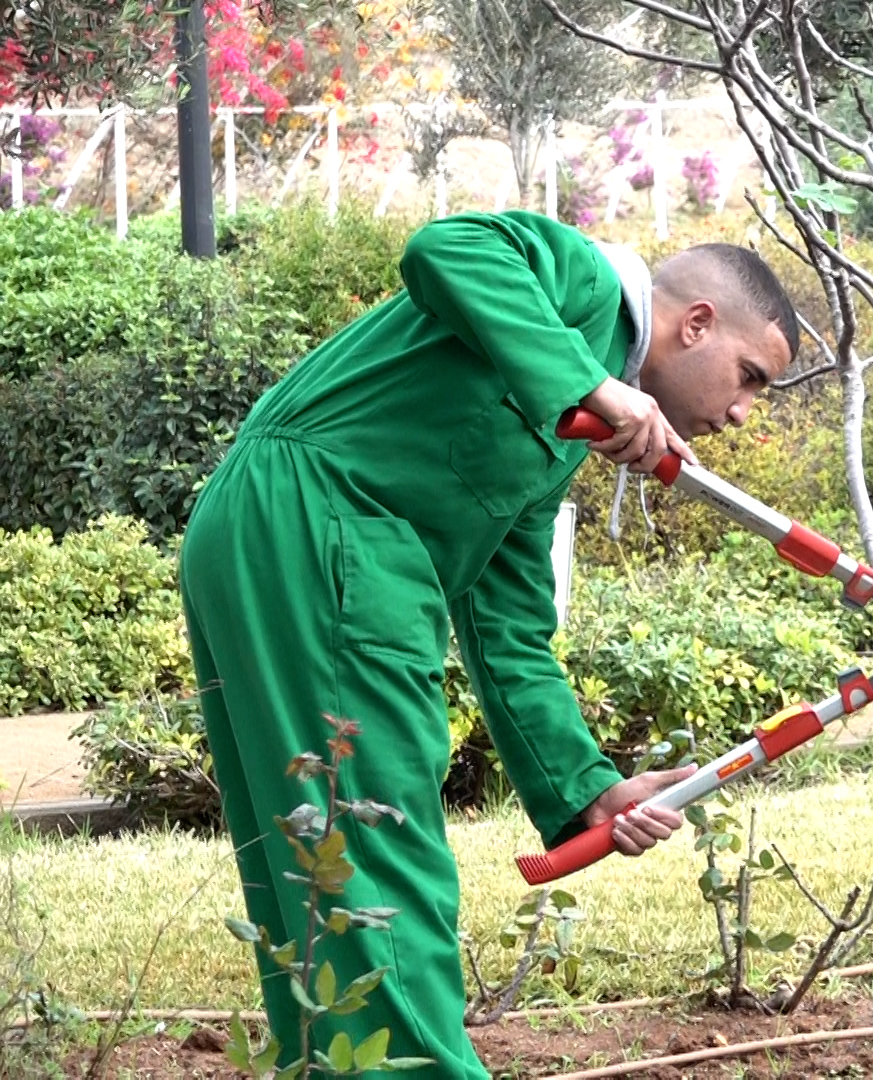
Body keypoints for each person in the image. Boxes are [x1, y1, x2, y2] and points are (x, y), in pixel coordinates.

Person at [177, 210, 799, 1075]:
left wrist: (589, 791)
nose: (739, 413)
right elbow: (446, 249)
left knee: (312, 860)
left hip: (271, 530)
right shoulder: (583, 282)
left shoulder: (558, 433)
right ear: (695, 324)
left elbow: (509, 630)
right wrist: (592, 381)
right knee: (374, 849)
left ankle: (333, 1064)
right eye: (748, 377)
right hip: (322, 528)